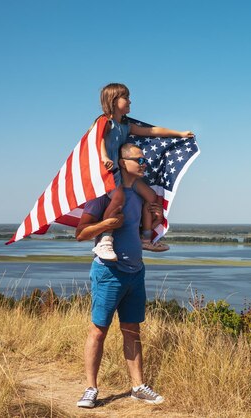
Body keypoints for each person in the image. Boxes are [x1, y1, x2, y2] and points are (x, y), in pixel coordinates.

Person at [75, 143, 165, 408]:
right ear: (122, 162)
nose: (144, 164)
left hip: (135, 272)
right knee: (98, 331)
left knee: (132, 330)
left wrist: (156, 219)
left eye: (145, 160)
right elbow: (81, 233)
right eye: (139, 160)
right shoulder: (103, 194)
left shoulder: (138, 195)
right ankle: (90, 388)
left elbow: (136, 233)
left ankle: (138, 386)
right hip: (108, 272)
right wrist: (105, 225)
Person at [92, 83, 194, 259]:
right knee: (118, 198)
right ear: (114, 100)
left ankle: (145, 238)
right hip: (108, 172)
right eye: (126, 98)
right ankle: (105, 240)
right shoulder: (104, 122)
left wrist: (179, 134)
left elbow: (151, 131)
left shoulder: (126, 125)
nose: (130, 101)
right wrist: (104, 157)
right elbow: (97, 138)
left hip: (121, 172)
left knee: (151, 197)